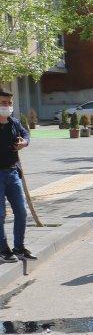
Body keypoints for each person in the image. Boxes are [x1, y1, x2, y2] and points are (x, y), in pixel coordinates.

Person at [0, 90, 34, 263]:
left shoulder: (14, 123)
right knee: (0, 214)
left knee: (21, 211)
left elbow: (26, 134)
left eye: (8, 103)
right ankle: (3, 249)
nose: (6, 106)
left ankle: (19, 247)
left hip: (13, 173)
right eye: (3, 103)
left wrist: (24, 143)